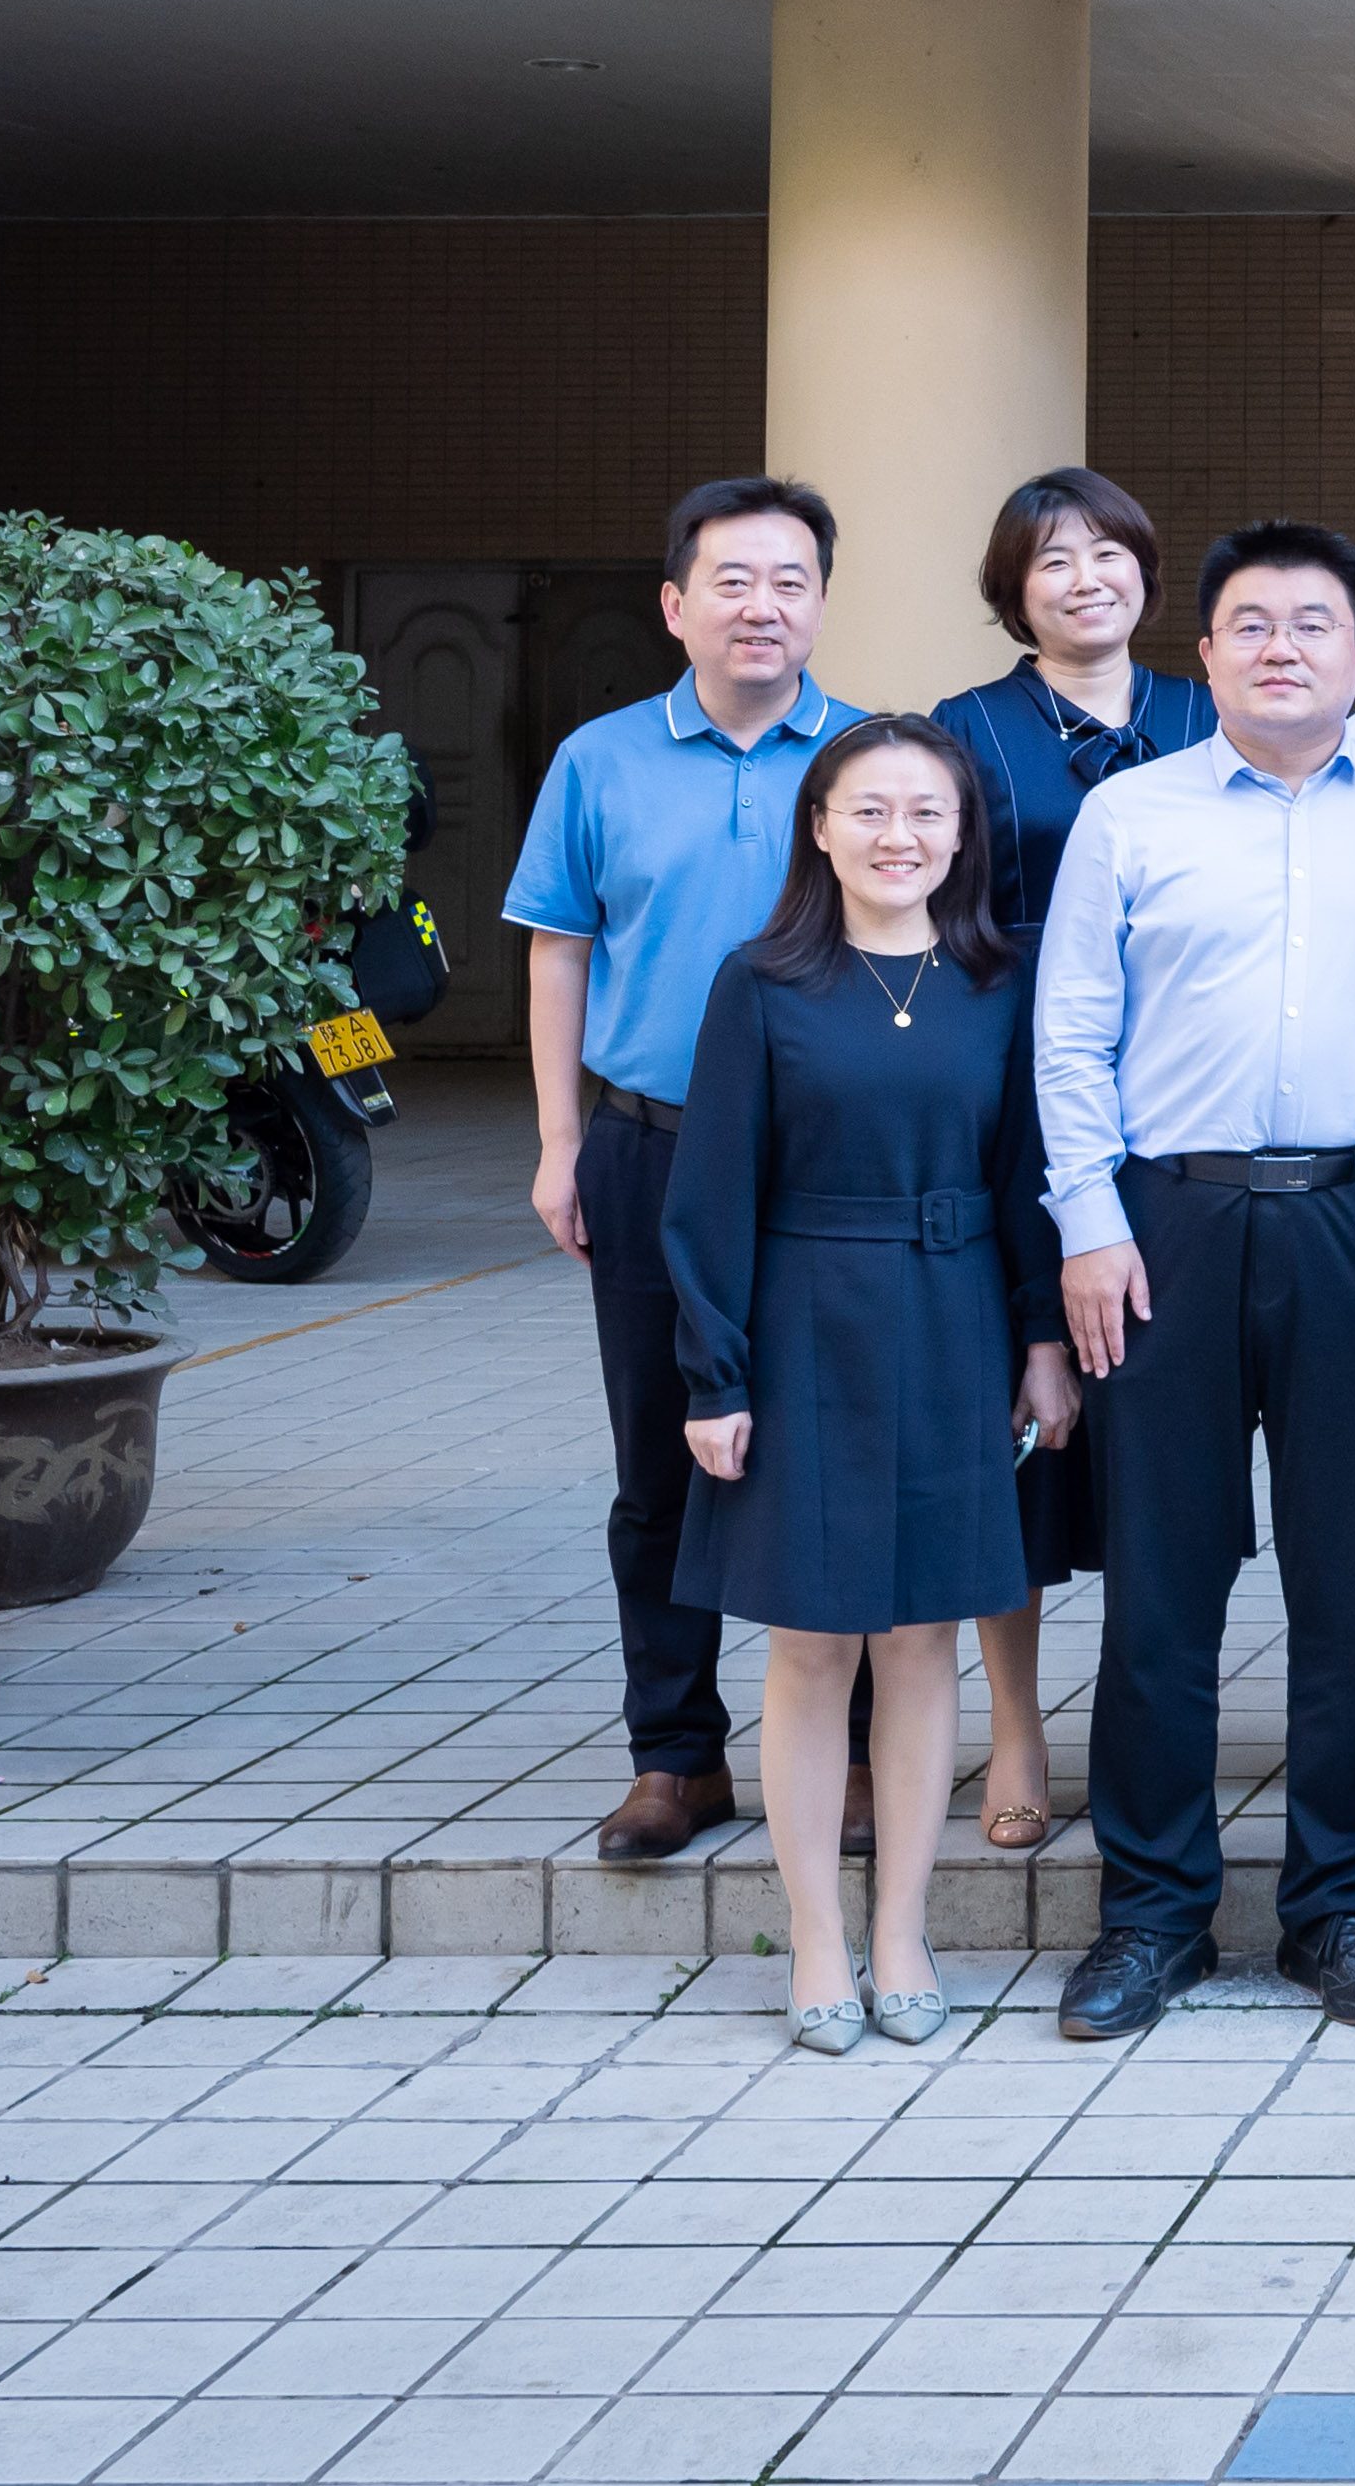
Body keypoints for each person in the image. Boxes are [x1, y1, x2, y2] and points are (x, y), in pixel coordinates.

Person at [1033, 522, 1355, 2047]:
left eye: (1312, 622)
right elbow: (1070, 1031)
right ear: (1205, 652)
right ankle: (1153, 1914)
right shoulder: (1130, 815)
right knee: (1162, 1584)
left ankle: (1336, 1904)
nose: (1282, 645)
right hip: (1167, 1227)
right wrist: (1088, 1222)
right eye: (1251, 623)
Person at [659, 712, 1074, 2053]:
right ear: (822, 828)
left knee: (922, 1639)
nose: (901, 836)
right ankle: (815, 1940)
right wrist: (715, 1376)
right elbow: (709, 1194)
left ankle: (901, 1927)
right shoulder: (762, 982)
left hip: (955, 1322)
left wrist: (1042, 1338)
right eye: (871, 810)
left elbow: (1029, 1175)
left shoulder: (999, 979)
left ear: (963, 834)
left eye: (928, 812)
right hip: (805, 1328)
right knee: (813, 1642)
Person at [506, 476, 864, 1870]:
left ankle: (840, 1752)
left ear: (820, 602)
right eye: (732, 579)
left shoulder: (869, 757)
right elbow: (559, 948)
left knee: (828, 1453)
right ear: (675, 604)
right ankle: (675, 1754)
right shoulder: (598, 760)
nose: (761, 605)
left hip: (826, 1163)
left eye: (790, 580)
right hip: (647, 1141)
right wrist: (559, 1142)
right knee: (660, 1458)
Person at [928, 466, 1216, 1870]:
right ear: (1014, 588)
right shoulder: (966, 730)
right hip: (1012, 1099)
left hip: (1181, 1104)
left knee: (1165, 1428)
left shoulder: (1207, 714)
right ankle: (1018, 1723)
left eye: (1109, 551)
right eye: (1053, 559)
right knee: (1024, 1425)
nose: (1085, 577)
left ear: (1147, 572)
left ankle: (1160, 1720)